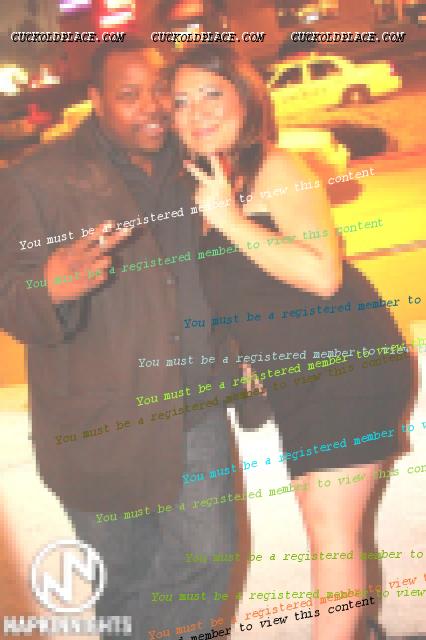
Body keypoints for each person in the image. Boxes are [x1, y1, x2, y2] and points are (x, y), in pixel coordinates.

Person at [0, 41, 248, 638]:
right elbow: (9, 294)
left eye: (160, 90)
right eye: (129, 95)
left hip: (193, 408)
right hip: (100, 424)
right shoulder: (39, 178)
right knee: (124, 579)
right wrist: (48, 290)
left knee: (209, 558)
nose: (152, 107)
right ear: (96, 100)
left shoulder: (199, 161)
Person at [170, 44, 417, 640]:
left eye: (212, 94)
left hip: (348, 369)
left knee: (331, 537)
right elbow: (247, 289)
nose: (197, 112)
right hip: (300, 381)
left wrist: (231, 221)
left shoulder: (275, 168)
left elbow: (322, 274)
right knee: (329, 532)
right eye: (181, 101)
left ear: (246, 101)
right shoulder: (212, 186)